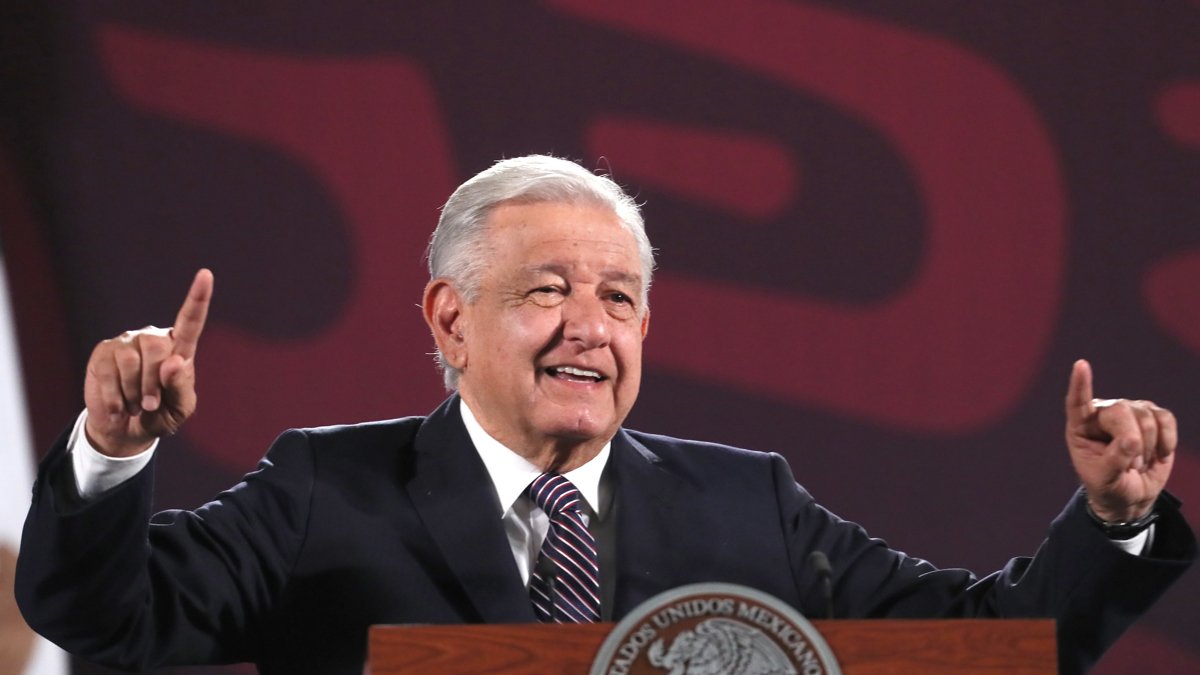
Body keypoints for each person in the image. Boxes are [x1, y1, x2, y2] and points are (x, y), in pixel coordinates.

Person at [16, 156, 1195, 674]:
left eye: (619, 298)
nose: (591, 327)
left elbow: (994, 649)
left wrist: (1114, 523)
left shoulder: (749, 504)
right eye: (546, 291)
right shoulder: (325, 491)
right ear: (449, 318)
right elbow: (105, 618)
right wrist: (113, 453)